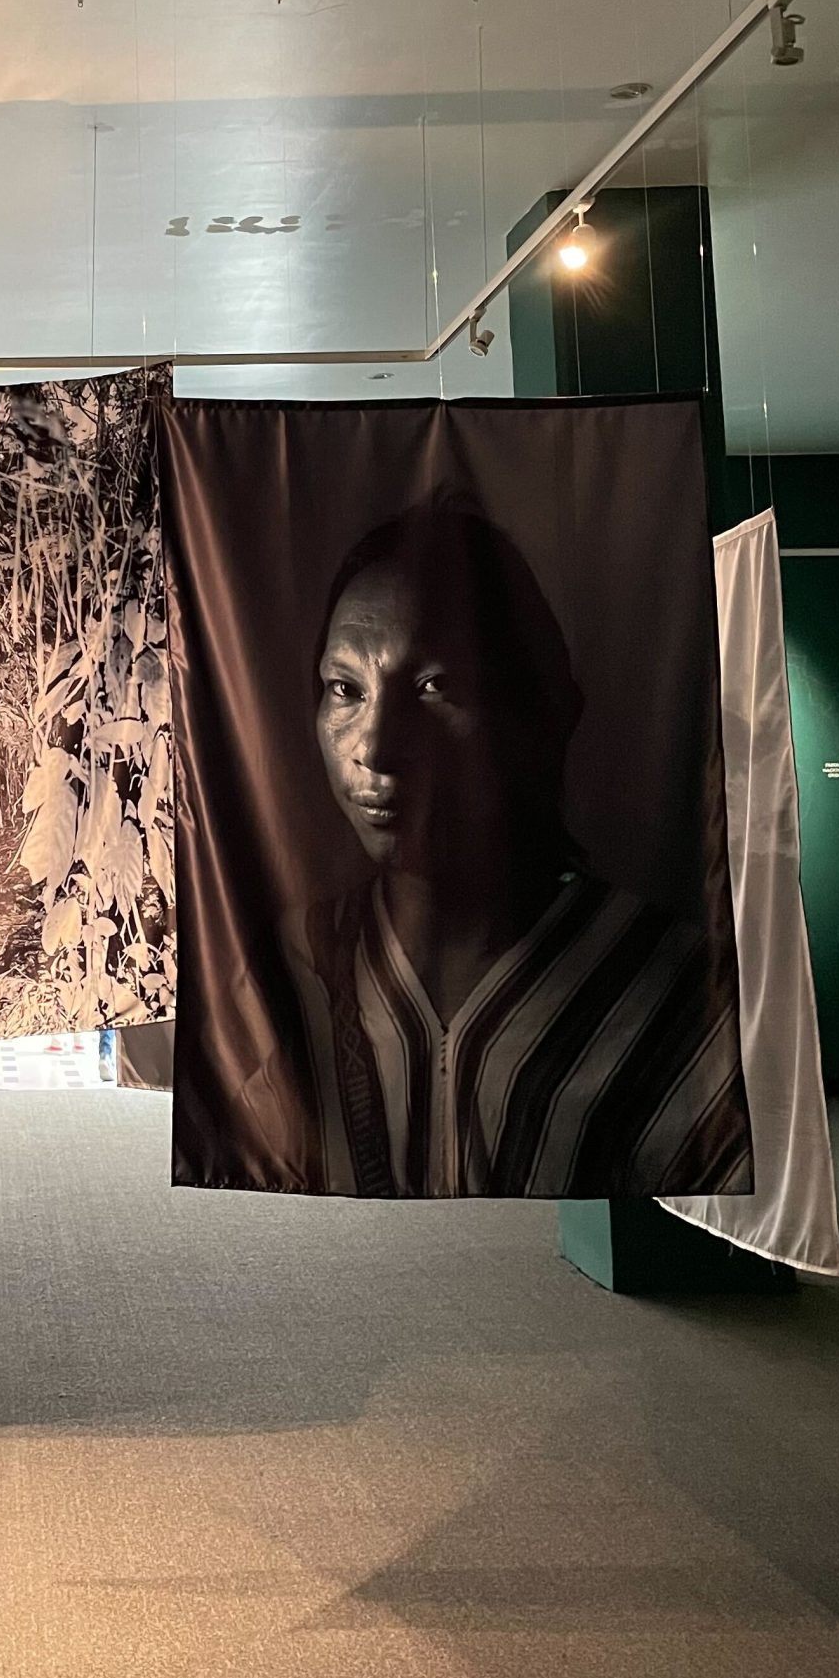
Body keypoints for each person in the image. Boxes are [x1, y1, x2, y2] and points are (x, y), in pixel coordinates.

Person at [285, 500, 748, 1198]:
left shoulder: (669, 989)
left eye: (435, 687)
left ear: (535, 714)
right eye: (344, 689)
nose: (375, 748)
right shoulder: (286, 965)